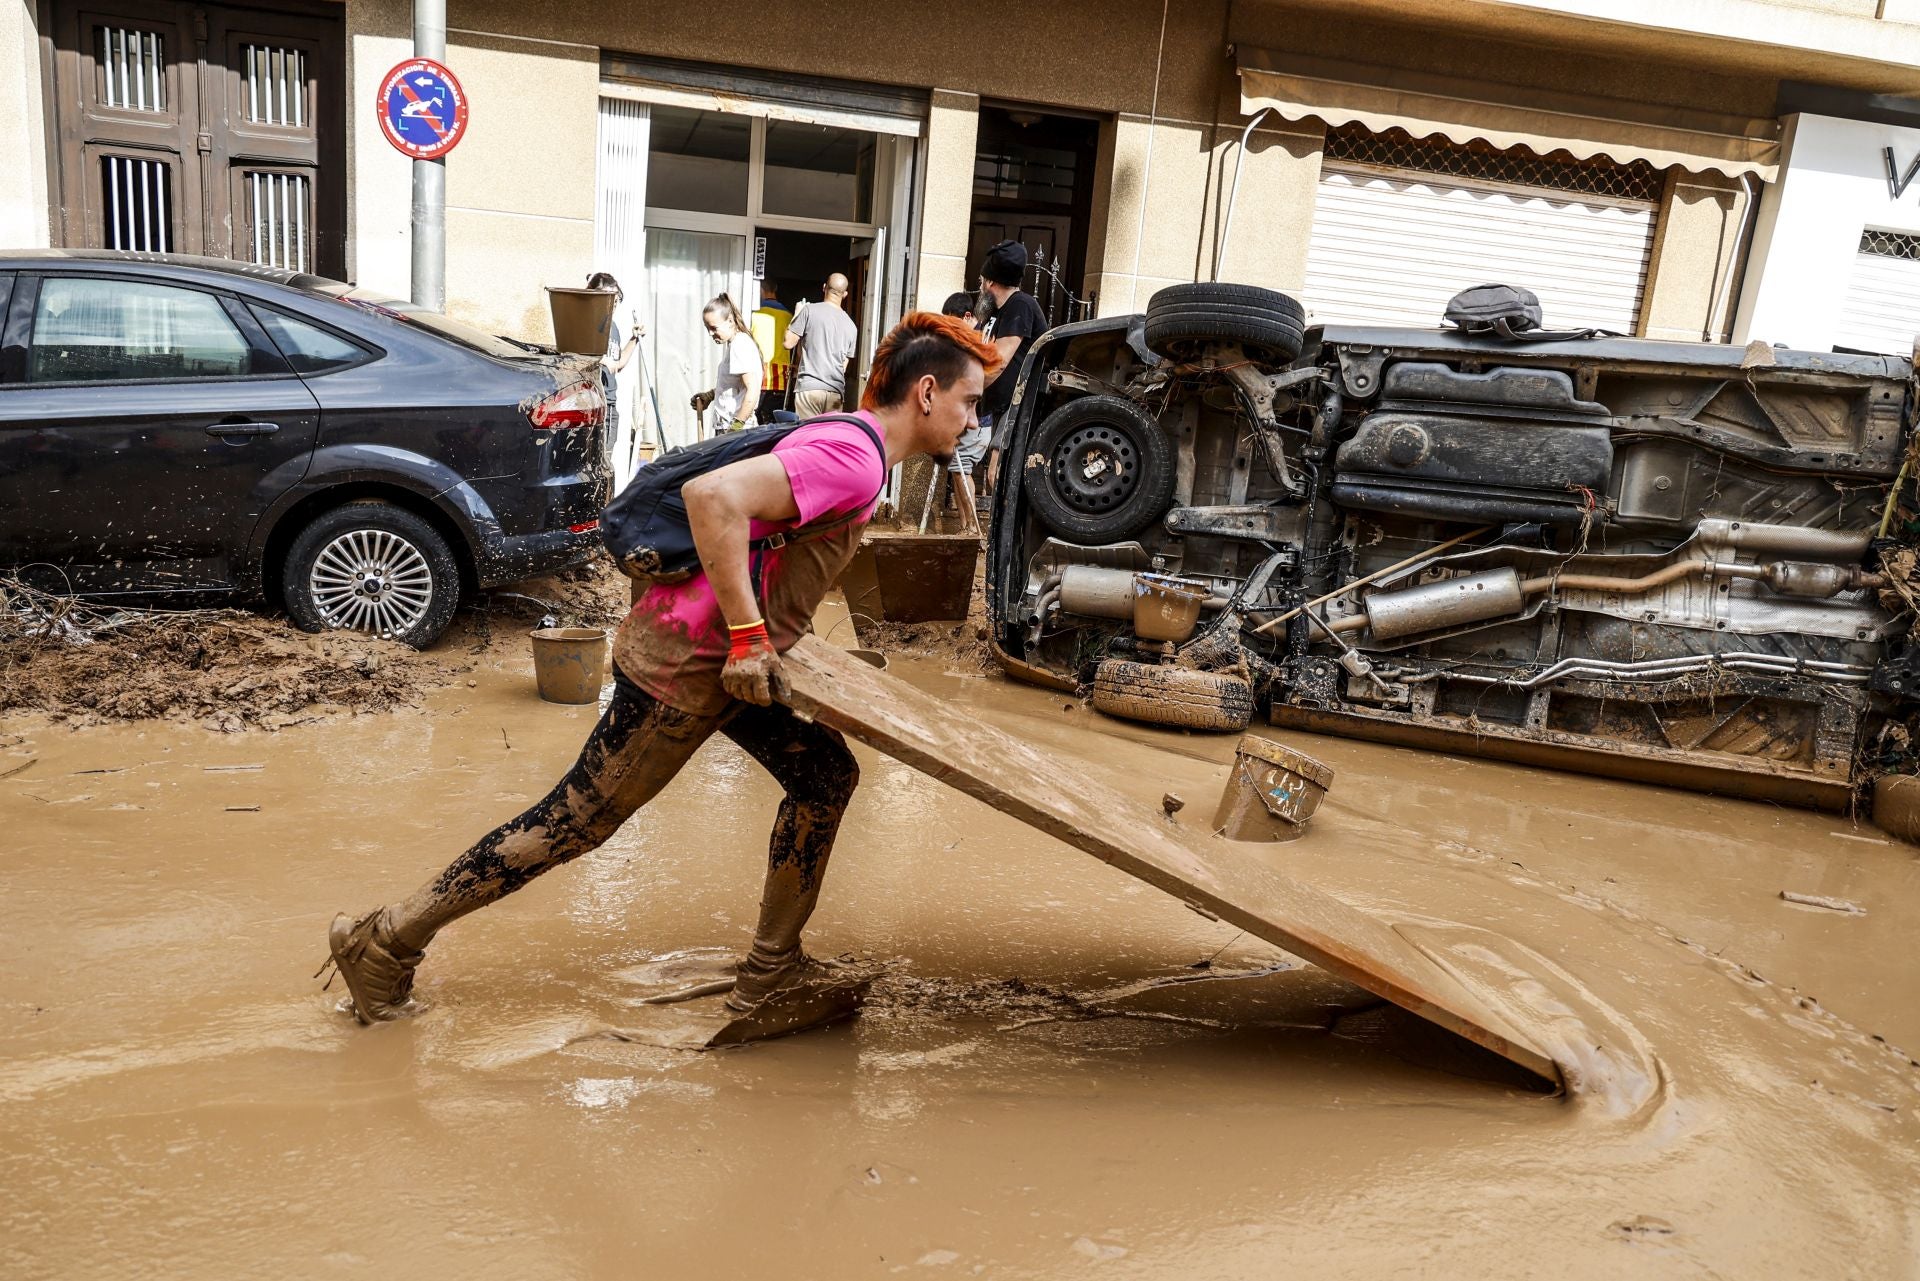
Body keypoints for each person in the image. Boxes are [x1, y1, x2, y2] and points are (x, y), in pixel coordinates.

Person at [322, 312, 1003, 1026]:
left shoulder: (853, 443)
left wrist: (766, 640)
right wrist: (750, 638)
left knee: (825, 777)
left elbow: (771, 542)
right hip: (688, 665)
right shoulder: (855, 458)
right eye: (969, 402)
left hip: (726, 661)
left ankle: (772, 968)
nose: (972, 421)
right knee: (576, 820)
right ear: (927, 393)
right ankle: (387, 941)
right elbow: (713, 500)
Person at [974, 241, 1047, 491]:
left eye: (982, 281)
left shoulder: (1020, 305)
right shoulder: (994, 313)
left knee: (998, 473)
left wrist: (965, 393)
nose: (980, 286)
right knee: (997, 476)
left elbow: (999, 361)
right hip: (1002, 406)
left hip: (1021, 404)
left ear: (990, 282)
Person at [941, 290, 988, 536]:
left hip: (978, 418)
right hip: (966, 416)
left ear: (967, 316)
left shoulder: (978, 340)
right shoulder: (967, 340)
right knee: (957, 470)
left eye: (953, 321)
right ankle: (964, 527)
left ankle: (972, 529)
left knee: (963, 468)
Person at [784, 272, 859, 419]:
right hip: (835, 392)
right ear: (845, 294)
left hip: (809, 388)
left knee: (809, 431)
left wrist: (797, 314)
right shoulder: (851, 326)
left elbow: (788, 342)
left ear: (824, 287)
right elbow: (843, 367)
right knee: (827, 433)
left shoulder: (809, 311)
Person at [586, 272, 641, 455]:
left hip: (609, 403)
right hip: (592, 403)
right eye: (609, 299)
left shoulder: (613, 327)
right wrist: (601, 359)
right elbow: (573, 353)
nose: (613, 304)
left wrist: (634, 338)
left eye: (616, 300)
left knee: (606, 458)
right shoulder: (586, 324)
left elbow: (618, 364)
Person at [690, 295, 761, 435]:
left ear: (730, 321)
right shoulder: (735, 343)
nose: (710, 333)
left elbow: (752, 390)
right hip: (731, 428)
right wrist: (710, 395)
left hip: (736, 430)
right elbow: (734, 385)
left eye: (714, 328)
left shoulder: (740, 344)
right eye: (707, 328)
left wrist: (736, 427)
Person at [751, 280, 793, 421]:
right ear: (775, 289)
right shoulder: (789, 315)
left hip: (759, 375)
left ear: (760, 290)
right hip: (782, 378)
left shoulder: (754, 313)